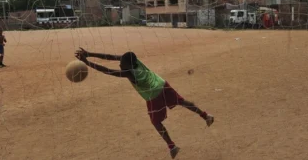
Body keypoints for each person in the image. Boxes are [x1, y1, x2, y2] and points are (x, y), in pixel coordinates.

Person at [75, 48, 214, 159]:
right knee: (182, 102)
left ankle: (172, 146)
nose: (119, 65)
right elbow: (111, 56)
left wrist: (87, 63)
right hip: (162, 84)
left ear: (128, 65)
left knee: (156, 123)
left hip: (154, 95)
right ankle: (206, 116)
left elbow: (109, 71)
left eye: (122, 64)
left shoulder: (130, 73)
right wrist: (89, 54)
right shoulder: (136, 61)